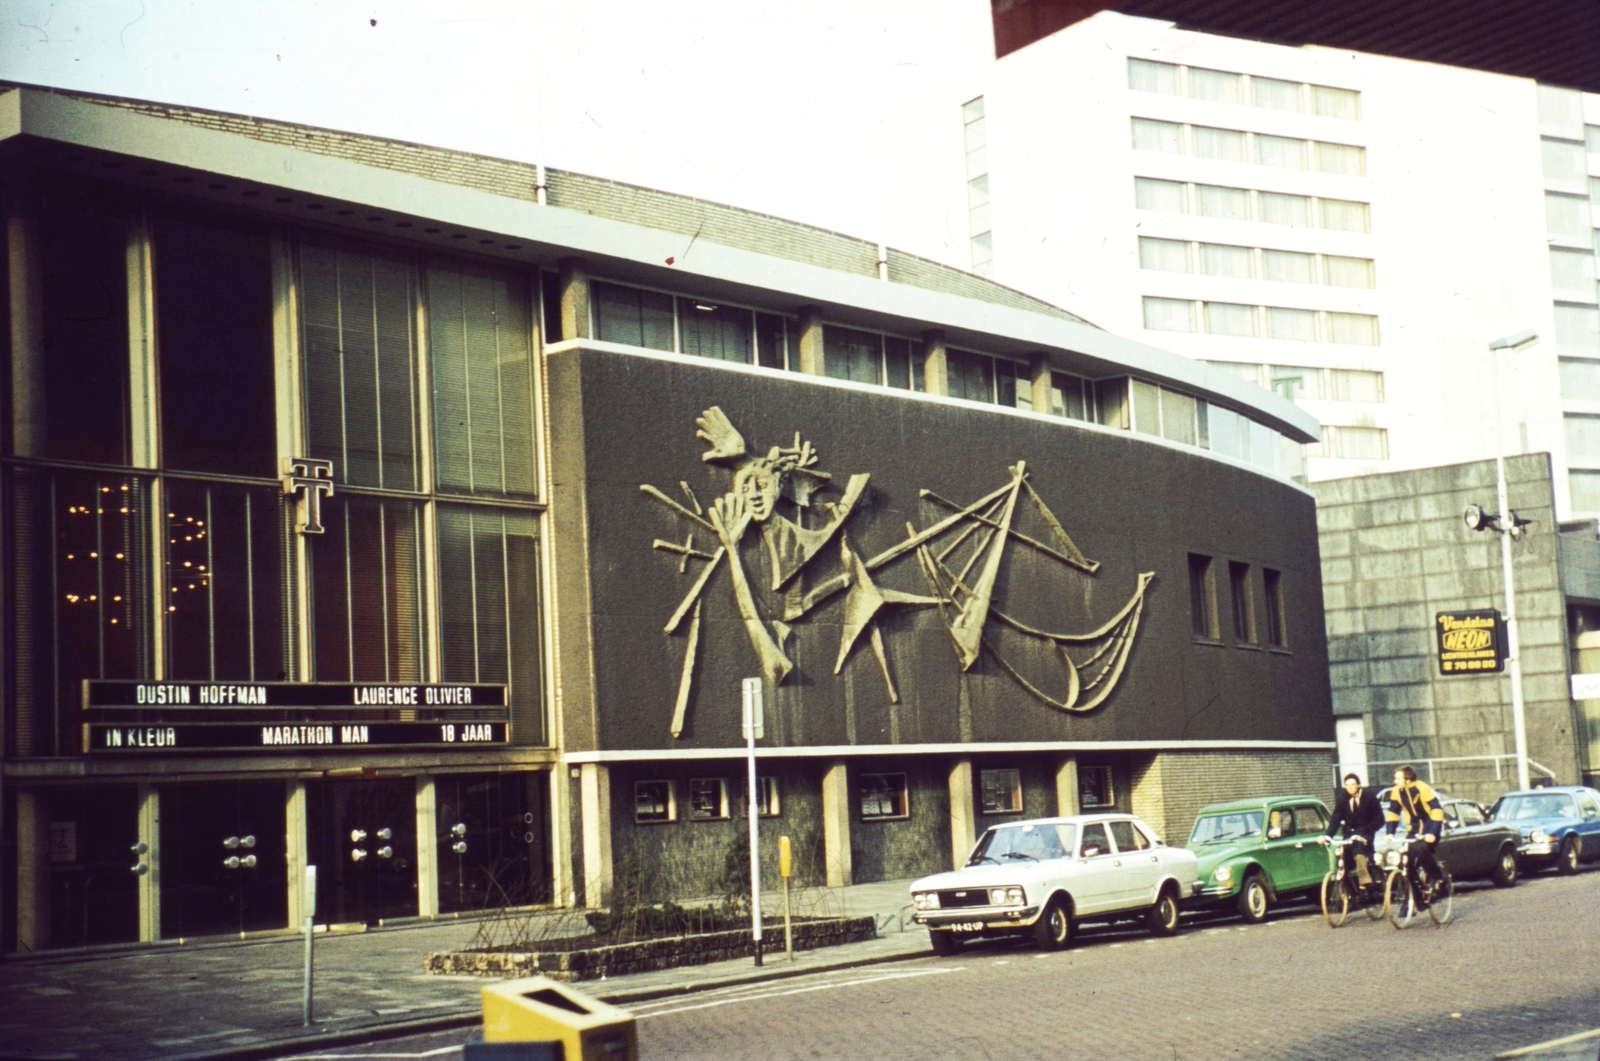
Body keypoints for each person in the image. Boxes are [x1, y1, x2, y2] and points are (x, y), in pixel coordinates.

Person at [1384, 765, 1446, 901]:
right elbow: (1393, 812)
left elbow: (1437, 810)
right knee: (1404, 858)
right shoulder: (1396, 791)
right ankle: (1412, 894)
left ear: (1407, 779)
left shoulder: (1422, 788)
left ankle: (1437, 878)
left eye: (1398, 779)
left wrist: (1433, 833)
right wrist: (1390, 833)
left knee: (1420, 848)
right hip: (1413, 830)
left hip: (1429, 828)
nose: (1395, 781)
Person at [1321, 773, 1383, 885]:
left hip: (1365, 834)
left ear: (1358, 785)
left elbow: (1379, 819)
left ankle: (1365, 881)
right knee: (1342, 858)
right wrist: (1328, 836)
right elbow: (1335, 818)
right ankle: (1347, 887)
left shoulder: (1369, 797)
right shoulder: (1342, 798)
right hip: (1349, 835)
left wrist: (1367, 829)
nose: (1350, 788)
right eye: (1347, 785)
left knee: (1359, 852)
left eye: (1352, 784)